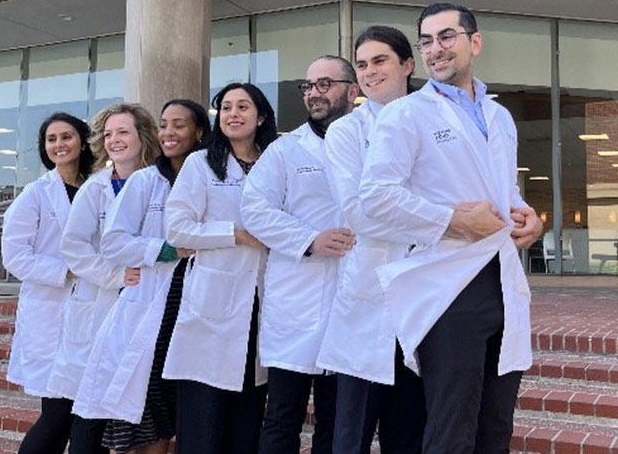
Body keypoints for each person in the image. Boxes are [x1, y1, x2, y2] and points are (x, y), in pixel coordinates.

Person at [358, 3, 543, 454]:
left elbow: (503, 190)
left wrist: (528, 215)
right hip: (449, 287)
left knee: (495, 426)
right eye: (426, 41)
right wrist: (455, 221)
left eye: (446, 36)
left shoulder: (500, 116)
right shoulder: (406, 115)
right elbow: (375, 197)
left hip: (502, 279)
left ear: (474, 43)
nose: (435, 49)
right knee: (452, 427)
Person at [72, 100, 209, 454]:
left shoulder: (208, 176)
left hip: (195, 303)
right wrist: (166, 251)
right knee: (138, 413)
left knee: (168, 414)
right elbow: (112, 242)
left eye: (179, 125)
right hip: (149, 304)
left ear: (199, 133)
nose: (169, 132)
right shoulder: (144, 182)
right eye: (164, 124)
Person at [317, 26, 425, 454]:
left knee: (411, 432)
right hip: (367, 297)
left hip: (424, 296)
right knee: (351, 435)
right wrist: (442, 224)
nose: (369, 71)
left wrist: (437, 219)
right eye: (362, 64)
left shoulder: (435, 121)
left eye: (380, 60)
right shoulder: (346, 132)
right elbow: (359, 213)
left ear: (408, 65)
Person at [242, 56, 358, 454]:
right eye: (308, 86)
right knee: (282, 415)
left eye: (325, 84)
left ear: (352, 91)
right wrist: (309, 240)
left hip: (351, 300)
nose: (313, 93)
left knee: (337, 419)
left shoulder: (371, 142)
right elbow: (254, 209)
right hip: (296, 300)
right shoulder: (285, 150)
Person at [163, 83, 277, 454]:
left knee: (245, 424)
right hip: (211, 306)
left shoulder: (275, 161)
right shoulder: (201, 163)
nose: (233, 114)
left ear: (261, 116)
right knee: (203, 425)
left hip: (263, 302)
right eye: (226, 107)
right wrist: (236, 235)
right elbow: (176, 229)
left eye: (243, 106)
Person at [50, 103, 159, 454]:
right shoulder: (96, 188)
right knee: (91, 405)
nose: (114, 140)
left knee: (133, 408)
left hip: (146, 304)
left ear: (143, 136)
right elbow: (73, 245)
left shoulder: (160, 182)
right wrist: (114, 275)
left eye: (123, 132)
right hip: (100, 301)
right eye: (109, 134)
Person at [2, 112, 95, 454]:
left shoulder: (97, 187)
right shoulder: (36, 194)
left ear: (82, 141)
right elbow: (14, 256)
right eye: (51, 139)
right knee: (57, 415)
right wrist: (66, 270)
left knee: (80, 415)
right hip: (50, 309)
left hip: (91, 308)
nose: (59, 144)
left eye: (66, 136)